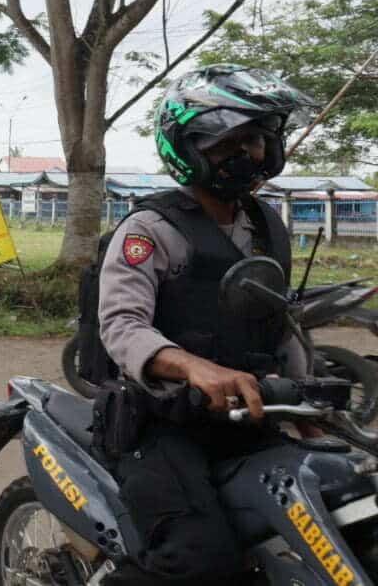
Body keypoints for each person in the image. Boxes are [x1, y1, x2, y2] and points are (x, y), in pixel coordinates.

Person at [97, 65, 317, 584]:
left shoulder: (266, 226)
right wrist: (194, 367)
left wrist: (309, 409)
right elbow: (122, 325)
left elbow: (279, 324)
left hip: (249, 414)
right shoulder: (151, 229)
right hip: (159, 424)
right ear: (189, 147)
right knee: (200, 561)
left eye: (258, 140)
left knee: (330, 510)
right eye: (230, 143)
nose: (250, 154)